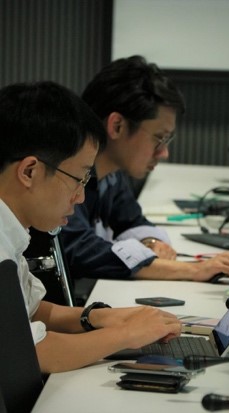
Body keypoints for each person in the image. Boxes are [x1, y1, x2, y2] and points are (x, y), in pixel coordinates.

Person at [0, 81, 182, 373]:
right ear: (29, 171)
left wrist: (97, 318)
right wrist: (126, 334)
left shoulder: (12, 229)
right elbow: (31, 353)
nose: (81, 196)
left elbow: (31, 310)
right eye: (78, 179)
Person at [61, 55, 229, 288]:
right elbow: (81, 250)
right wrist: (193, 270)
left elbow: (131, 219)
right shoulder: (66, 172)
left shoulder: (112, 171)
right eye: (160, 138)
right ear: (117, 126)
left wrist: (151, 241)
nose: (164, 153)